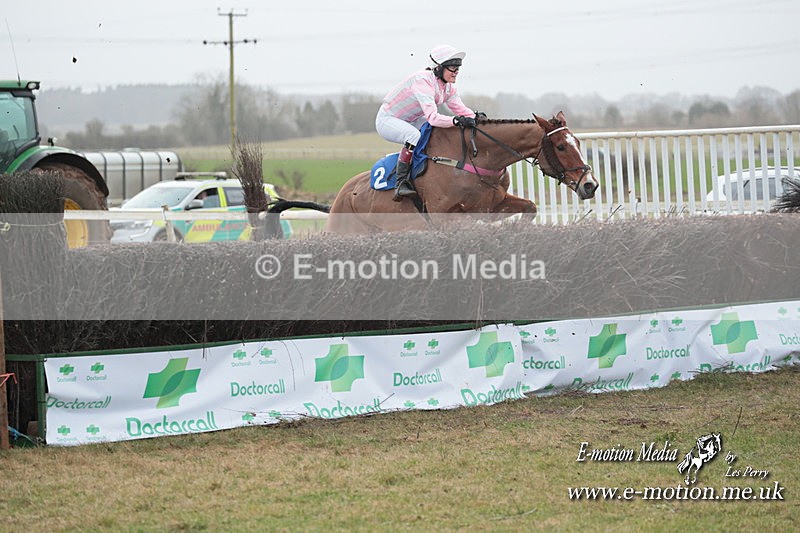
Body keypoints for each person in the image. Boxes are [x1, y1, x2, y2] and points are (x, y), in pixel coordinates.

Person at [376, 44, 480, 201]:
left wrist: (477, 119)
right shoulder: (423, 81)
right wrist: (456, 120)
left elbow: (460, 109)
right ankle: (401, 183)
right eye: (452, 68)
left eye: (458, 67)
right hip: (388, 119)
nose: (456, 71)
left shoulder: (449, 87)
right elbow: (433, 117)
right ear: (438, 68)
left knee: (437, 133)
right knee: (414, 136)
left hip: (412, 119)